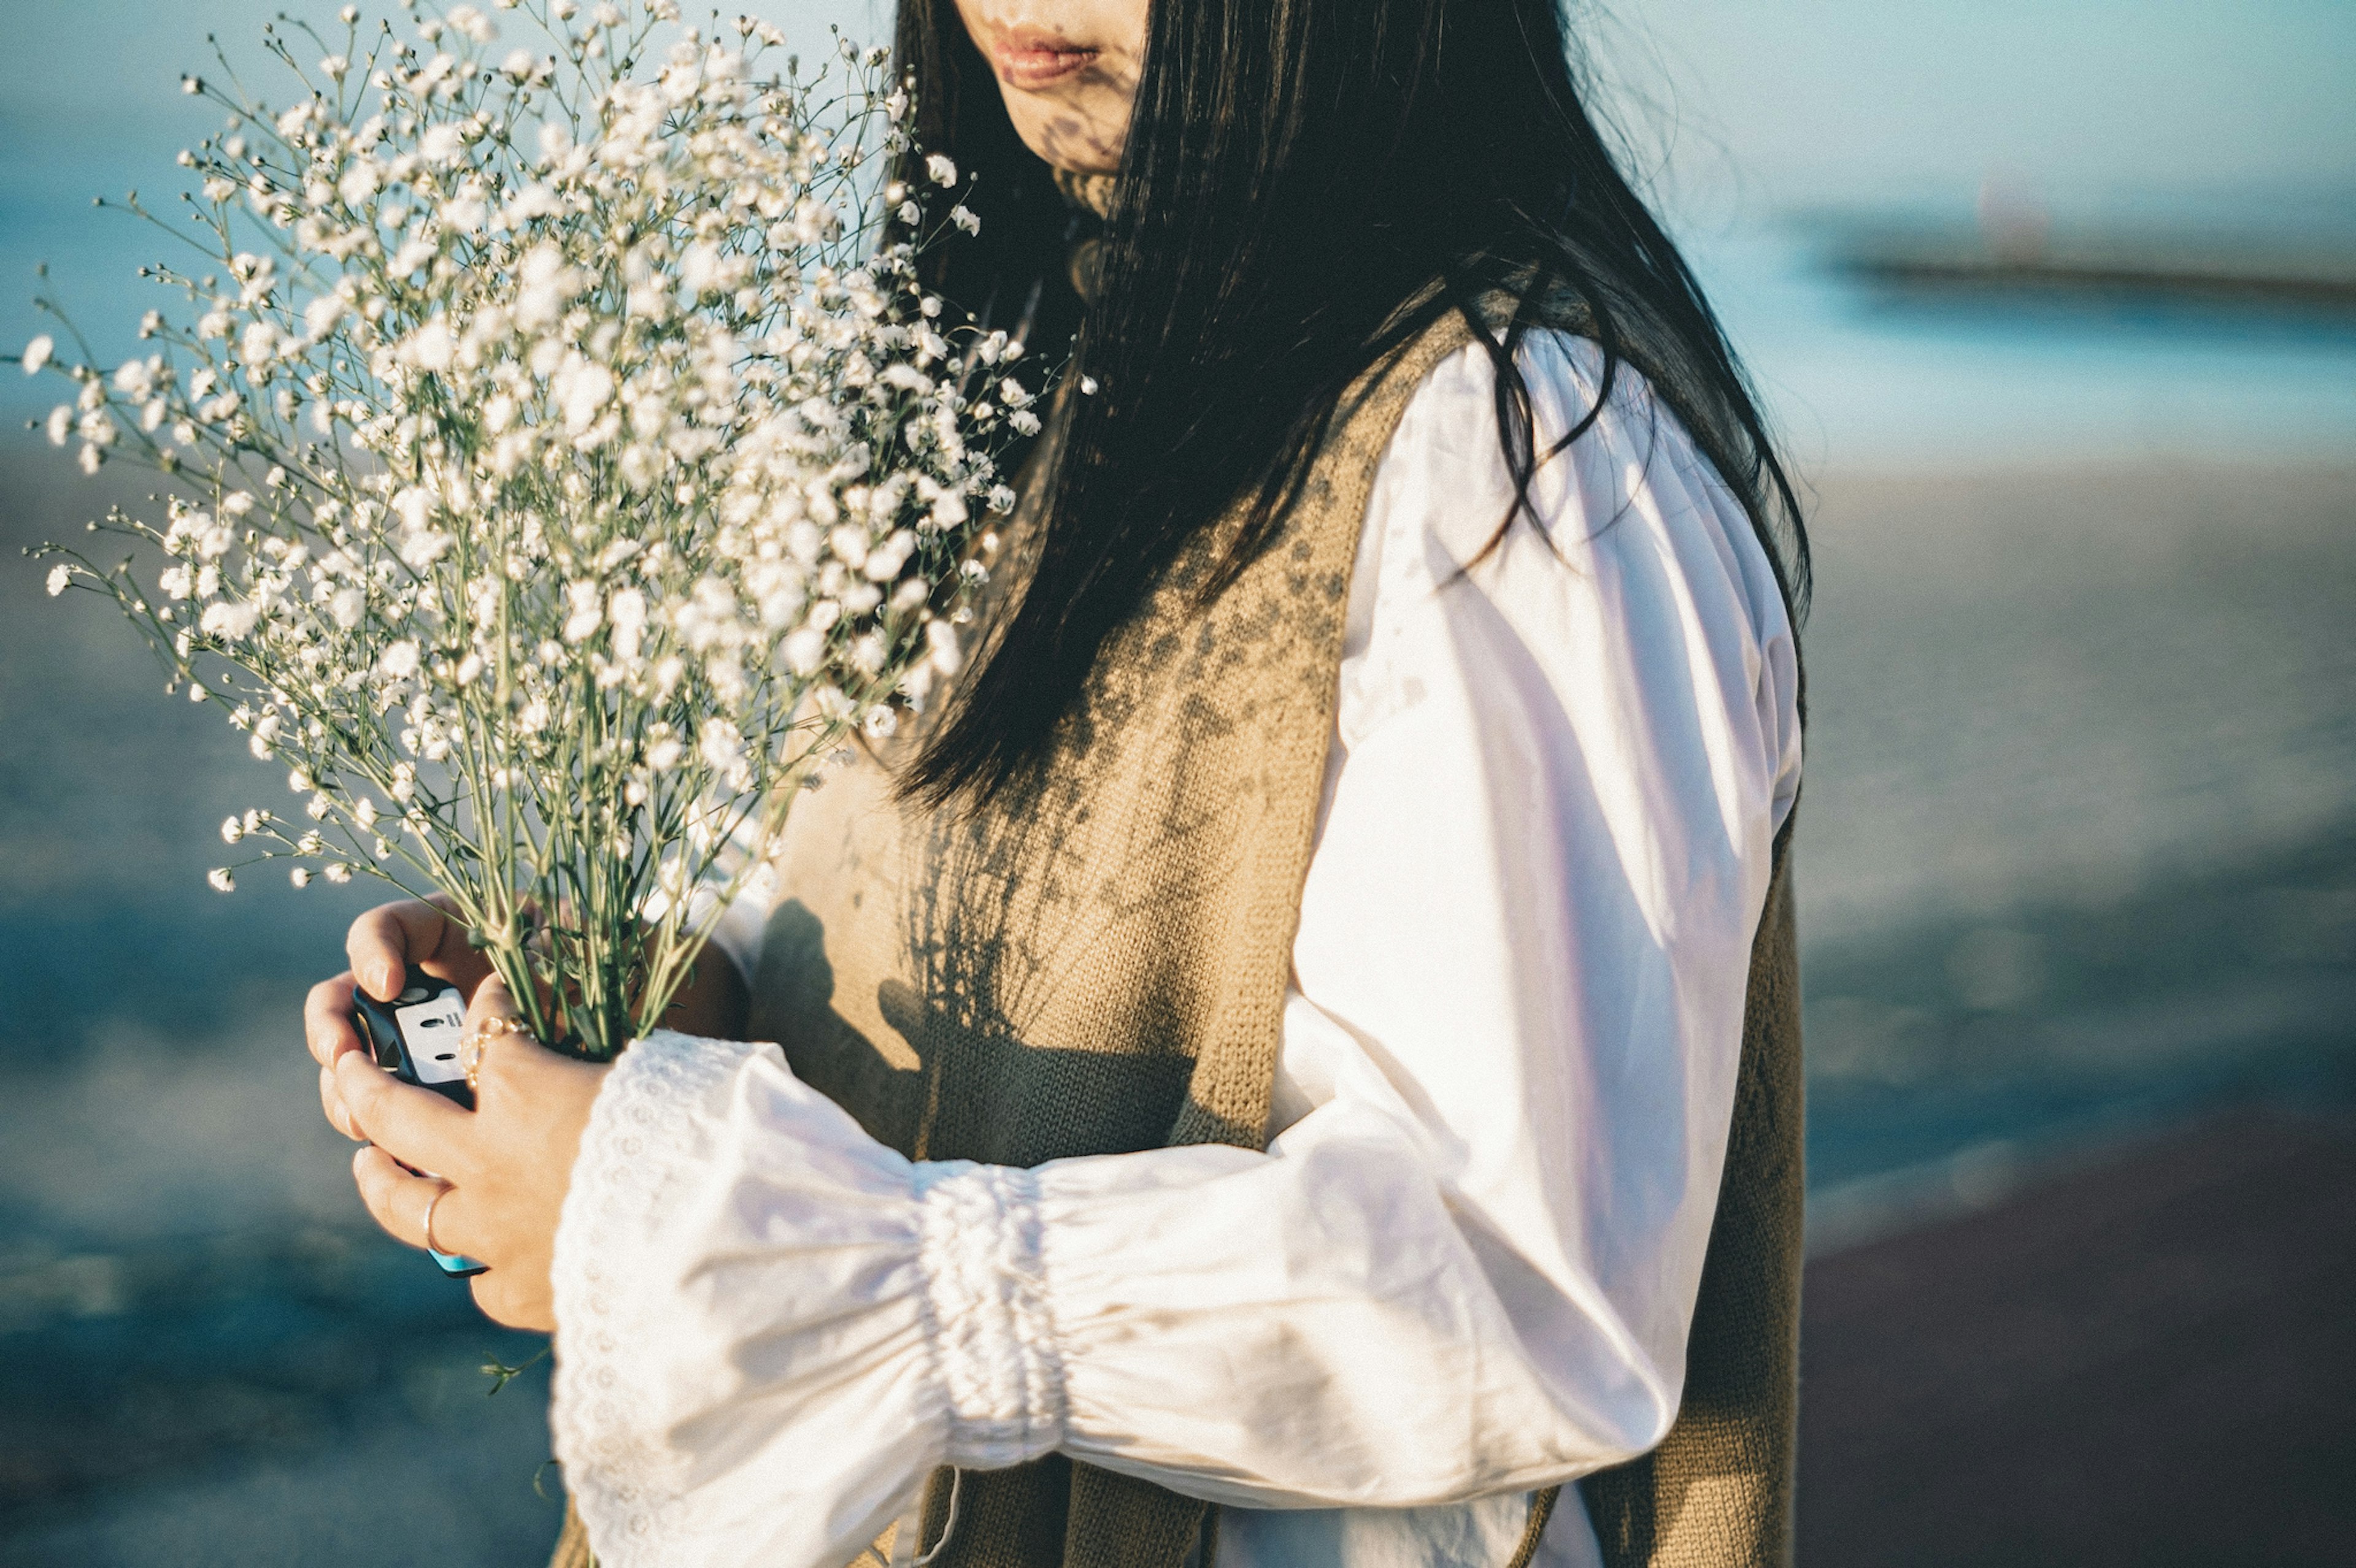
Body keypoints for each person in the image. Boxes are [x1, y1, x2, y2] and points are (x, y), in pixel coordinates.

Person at [301, 1, 1809, 1565]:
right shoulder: (1028, 359)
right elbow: (895, 918)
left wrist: (713, 1238)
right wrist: (672, 1030)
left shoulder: (1520, 458)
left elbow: (1516, 1294)